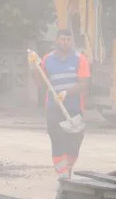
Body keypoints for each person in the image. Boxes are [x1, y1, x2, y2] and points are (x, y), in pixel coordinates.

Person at [37, 29, 89, 179]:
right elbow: (40, 83)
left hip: (74, 106)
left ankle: (68, 168)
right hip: (53, 107)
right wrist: (34, 67)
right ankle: (62, 174)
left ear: (71, 41)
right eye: (62, 39)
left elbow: (84, 84)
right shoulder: (47, 59)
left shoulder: (80, 59)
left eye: (68, 39)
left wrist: (67, 93)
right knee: (57, 139)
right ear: (56, 41)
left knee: (75, 140)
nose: (65, 42)